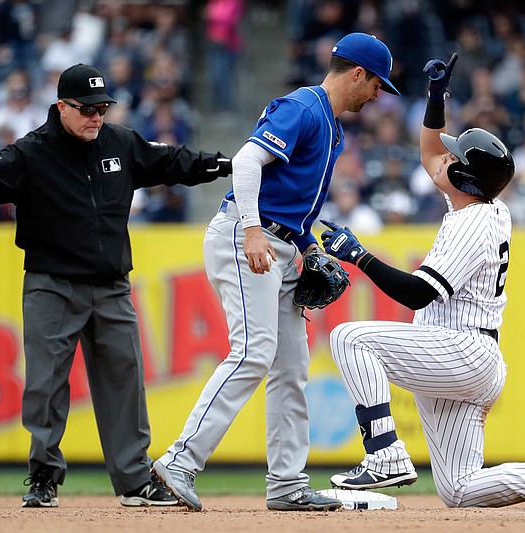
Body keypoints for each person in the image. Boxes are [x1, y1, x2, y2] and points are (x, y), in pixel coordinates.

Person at [0, 63, 232, 509]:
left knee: (125, 382)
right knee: (46, 384)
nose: (97, 117)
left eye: (103, 108)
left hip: (112, 285)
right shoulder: (31, 152)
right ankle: (43, 476)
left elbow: (170, 160)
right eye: (87, 109)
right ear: (61, 106)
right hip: (52, 285)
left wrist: (224, 165)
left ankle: (135, 481)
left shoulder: (119, 141)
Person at [320, 53, 525, 511]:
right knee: (459, 489)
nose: (443, 159)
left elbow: (418, 292)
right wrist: (436, 100)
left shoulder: (471, 224)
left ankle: (385, 451)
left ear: (463, 176)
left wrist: (360, 257)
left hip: (461, 351)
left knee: (351, 338)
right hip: (466, 356)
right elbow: (430, 151)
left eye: (454, 158)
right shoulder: (482, 206)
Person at [151, 32, 400, 512]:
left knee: (292, 367)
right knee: (254, 351)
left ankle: (287, 484)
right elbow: (247, 161)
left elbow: (298, 209)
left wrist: (307, 246)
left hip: (280, 244)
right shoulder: (305, 107)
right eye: (376, 86)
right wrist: (249, 229)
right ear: (357, 74)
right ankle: (177, 464)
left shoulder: (333, 126)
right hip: (249, 238)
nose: (377, 96)